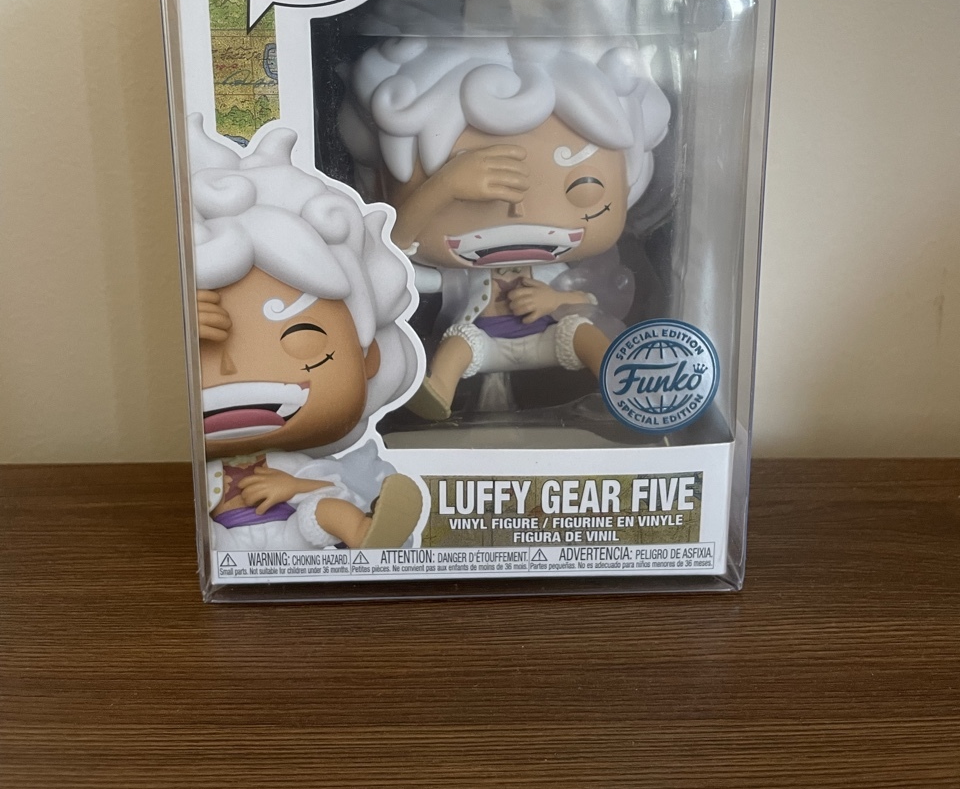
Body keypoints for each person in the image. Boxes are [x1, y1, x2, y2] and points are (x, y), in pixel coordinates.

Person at [340, 31, 670, 420]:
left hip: (551, 337)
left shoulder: (569, 272)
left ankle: (620, 382)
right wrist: (444, 187)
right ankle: (438, 390)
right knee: (457, 347)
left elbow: (591, 300)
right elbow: (393, 254)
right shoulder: (453, 277)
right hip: (482, 343)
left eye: (583, 189)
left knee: (583, 332)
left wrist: (554, 301)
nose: (518, 212)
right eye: (463, 201)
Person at [188, 114, 424, 549]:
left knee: (326, 508)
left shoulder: (293, 464)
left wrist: (291, 487)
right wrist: (177, 334)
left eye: (300, 336)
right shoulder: (203, 475)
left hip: (296, 537)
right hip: (226, 548)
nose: (231, 368)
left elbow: (328, 485)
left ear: (368, 356)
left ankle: (367, 535)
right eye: (198, 354)